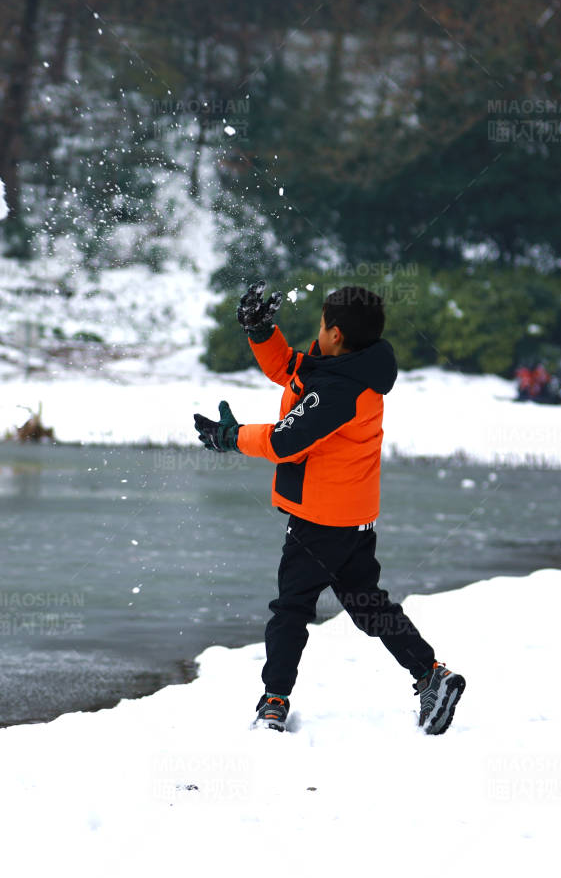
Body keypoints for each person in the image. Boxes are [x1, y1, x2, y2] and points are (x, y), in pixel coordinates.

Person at [192, 282, 465, 735]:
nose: (316, 333)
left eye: (321, 325)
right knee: (368, 606)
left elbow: (284, 439)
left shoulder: (341, 391)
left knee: (291, 609)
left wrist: (230, 437)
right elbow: (289, 368)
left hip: (320, 523)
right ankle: (431, 674)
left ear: (335, 333)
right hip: (352, 520)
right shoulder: (347, 367)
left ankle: (274, 702)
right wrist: (261, 332)